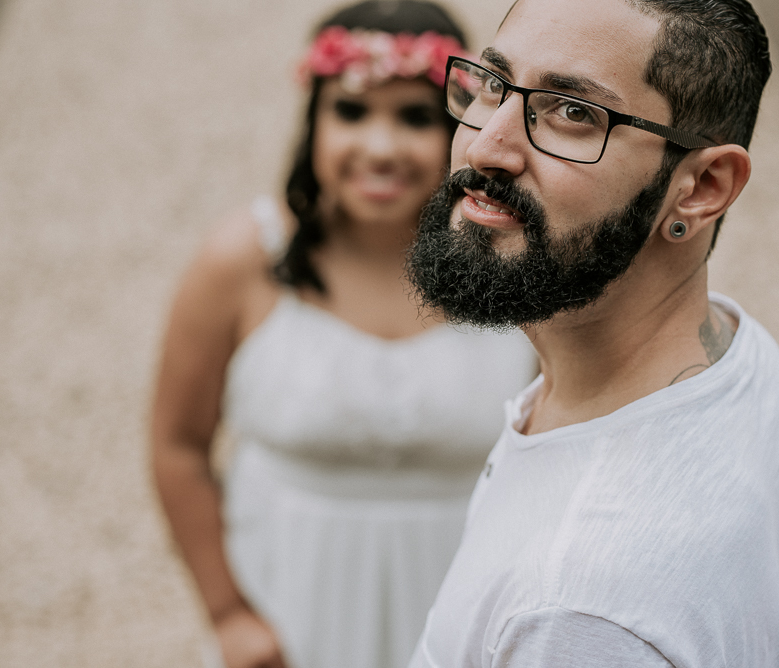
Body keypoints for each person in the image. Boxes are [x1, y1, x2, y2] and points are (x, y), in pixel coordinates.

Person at [405, 0, 779, 666]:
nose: (486, 146)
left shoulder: (576, 608)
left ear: (702, 186)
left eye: (574, 113)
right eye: (494, 85)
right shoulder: (727, 351)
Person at [149, 3, 536, 668]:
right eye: (352, 112)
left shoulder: (515, 266)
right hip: (287, 626)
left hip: (466, 632)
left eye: (416, 117)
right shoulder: (241, 260)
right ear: (313, 123)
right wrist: (229, 616)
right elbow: (177, 446)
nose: (380, 147)